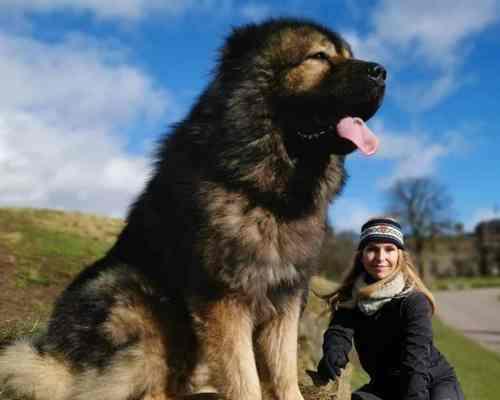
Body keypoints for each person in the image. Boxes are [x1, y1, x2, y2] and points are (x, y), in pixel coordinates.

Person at [316, 217, 464, 400]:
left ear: (399, 255)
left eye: (389, 249)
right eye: (372, 249)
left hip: (432, 381)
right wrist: (333, 352)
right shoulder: (353, 298)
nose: (380, 257)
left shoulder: (413, 301)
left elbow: (415, 363)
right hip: (385, 386)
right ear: (361, 255)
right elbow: (339, 330)